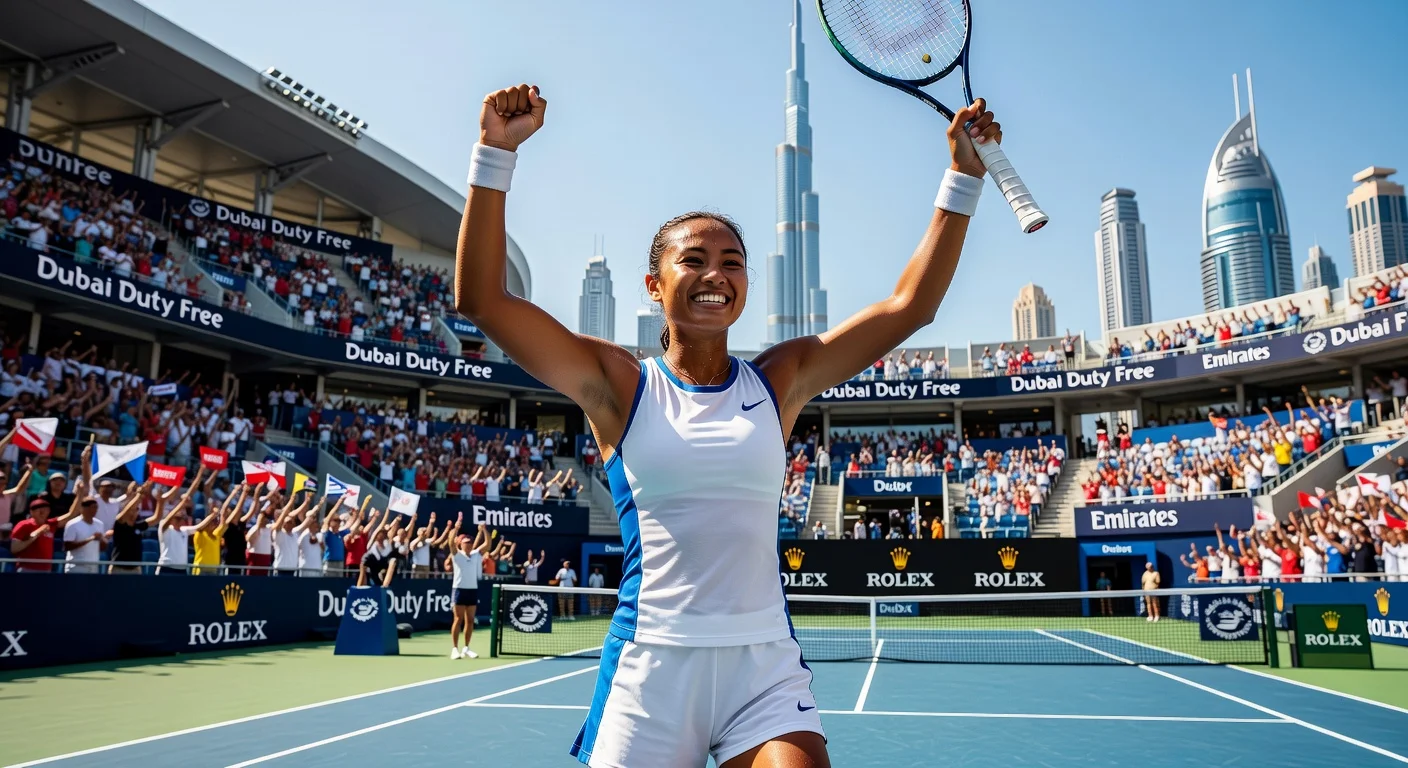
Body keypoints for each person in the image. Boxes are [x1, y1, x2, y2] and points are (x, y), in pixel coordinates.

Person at [457, 82, 1003, 767]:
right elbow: (481, 299)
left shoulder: (780, 379)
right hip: (649, 670)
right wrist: (494, 153)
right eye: (693, 259)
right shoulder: (620, 384)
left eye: (732, 262)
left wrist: (962, 175)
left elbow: (911, 306)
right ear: (654, 284)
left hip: (762, 670)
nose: (716, 273)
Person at [445, 518, 491, 660]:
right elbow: (450, 542)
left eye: (470, 543)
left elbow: (488, 544)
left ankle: (466, 648)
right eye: (466, 543)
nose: (469, 544)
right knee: (458, 619)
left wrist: (483, 529)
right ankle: (454, 649)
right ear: (461, 544)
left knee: (470, 620)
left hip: (472, 590)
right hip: (459, 590)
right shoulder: (456, 554)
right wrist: (456, 529)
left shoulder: (477, 553)